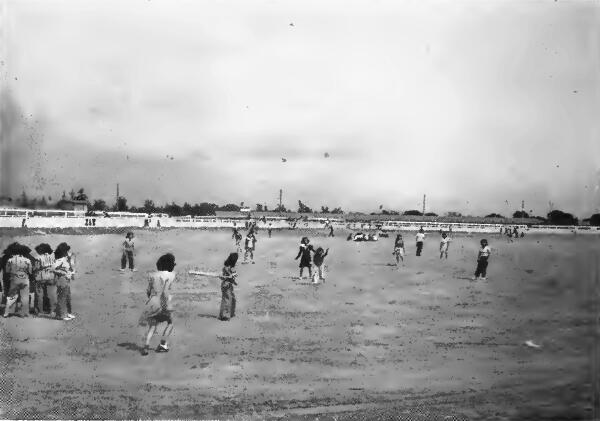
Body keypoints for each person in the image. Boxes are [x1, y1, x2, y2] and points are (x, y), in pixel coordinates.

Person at [139, 253, 177, 355]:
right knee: (170, 322)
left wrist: (152, 300)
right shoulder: (172, 275)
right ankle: (162, 344)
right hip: (164, 302)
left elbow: (148, 291)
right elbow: (167, 290)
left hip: (153, 302)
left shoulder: (152, 275)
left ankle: (146, 347)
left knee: (152, 326)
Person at [3, 244, 33, 318]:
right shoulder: (27, 260)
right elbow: (30, 271)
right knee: (25, 296)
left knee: (12, 296)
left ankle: (8, 312)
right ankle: (24, 313)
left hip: (14, 279)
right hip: (25, 279)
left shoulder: (10, 260)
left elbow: (7, 271)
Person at [53, 242, 76, 320]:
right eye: (66, 251)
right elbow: (53, 269)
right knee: (62, 297)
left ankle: (67, 313)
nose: (67, 252)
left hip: (66, 279)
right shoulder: (60, 260)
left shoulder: (65, 258)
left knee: (67, 296)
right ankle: (61, 315)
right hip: (62, 279)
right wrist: (63, 272)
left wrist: (70, 272)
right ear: (63, 252)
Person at [32, 243, 55, 316]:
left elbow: (35, 268)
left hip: (41, 277)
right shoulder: (53, 256)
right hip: (51, 277)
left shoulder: (39, 258)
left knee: (39, 295)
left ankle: (40, 312)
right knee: (51, 295)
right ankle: (51, 311)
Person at [218, 252, 238, 321]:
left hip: (228, 285)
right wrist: (228, 276)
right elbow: (223, 277)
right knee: (227, 300)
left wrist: (233, 279)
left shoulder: (230, 268)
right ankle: (224, 316)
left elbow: (231, 277)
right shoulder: (226, 268)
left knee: (229, 299)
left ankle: (226, 314)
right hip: (225, 285)